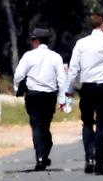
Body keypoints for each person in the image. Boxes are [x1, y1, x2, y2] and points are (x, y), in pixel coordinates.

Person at [65, 13, 103, 176]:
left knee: (88, 122)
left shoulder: (81, 43)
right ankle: (99, 160)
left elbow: (73, 69)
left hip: (87, 88)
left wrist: (68, 90)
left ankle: (89, 157)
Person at [13, 28, 66, 171]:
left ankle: (40, 157)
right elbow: (62, 80)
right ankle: (45, 151)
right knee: (45, 125)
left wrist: (17, 89)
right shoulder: (56, 57)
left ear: (36, 41)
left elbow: (18, 75)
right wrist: (62, 100)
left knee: (36, 126)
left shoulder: (28, 56)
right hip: (49, 96)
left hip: (33, 95)